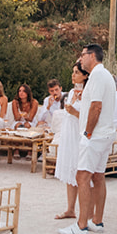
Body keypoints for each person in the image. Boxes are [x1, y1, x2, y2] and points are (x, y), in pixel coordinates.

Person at [59, 44, 117, 234]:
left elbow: (96, 106)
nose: (80, 58)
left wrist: (87, 132)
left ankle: (81, 225)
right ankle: (97, 221)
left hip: (95, 135)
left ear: (92, 56)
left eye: (83, 55)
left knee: (82, 176)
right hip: (104, 133)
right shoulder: (103, 75)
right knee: (98, 176)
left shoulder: (98, 75)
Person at [51, 65, 84, 220]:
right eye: (72, 72)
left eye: (76, 72)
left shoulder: (88, 92)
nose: (73, 75)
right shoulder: (71, 92)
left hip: (79, 133)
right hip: (69, 132)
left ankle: (87, 212)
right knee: (70, 170)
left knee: (81, 172)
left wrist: (75, 112)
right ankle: (70, 209)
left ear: (84, 75)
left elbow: (90, 116)